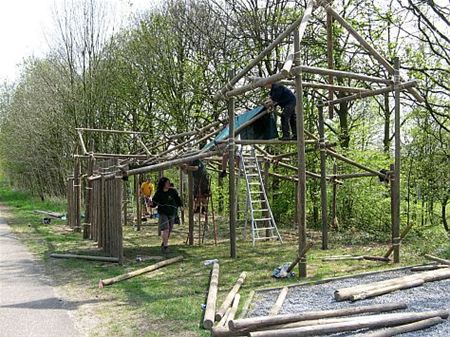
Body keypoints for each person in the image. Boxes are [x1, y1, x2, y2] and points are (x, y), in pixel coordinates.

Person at [152, 177, 183, 252]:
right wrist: (151, 204)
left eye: (169, 183)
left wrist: (181, 206)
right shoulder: (159, 193)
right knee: (166, 228)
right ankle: (166, 246)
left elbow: (178, 199)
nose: (168, 184)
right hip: (163, 213)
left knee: (169, 230)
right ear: (163, 184)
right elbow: (154, 203)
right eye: (167, 183)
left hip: (172, 212)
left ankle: (164, 243)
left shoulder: (173, 191)